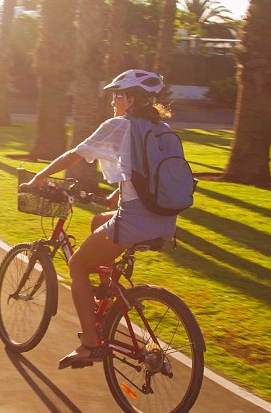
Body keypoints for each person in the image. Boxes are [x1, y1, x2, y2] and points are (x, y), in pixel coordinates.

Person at [18, 69, 178, 369]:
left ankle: (90, 344)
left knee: (77, 265)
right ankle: (106, 295)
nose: (114, 101)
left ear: (131, 100)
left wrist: (39, 178)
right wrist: (116, 197)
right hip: (165, 223)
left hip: (134, 222)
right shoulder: (162, 130)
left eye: (117, 96)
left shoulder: (120, 125)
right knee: (98, 222)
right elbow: (150, 175)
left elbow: (75, 155)